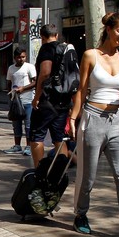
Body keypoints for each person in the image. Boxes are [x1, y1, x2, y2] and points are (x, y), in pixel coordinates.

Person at [67, 12, 119, 237]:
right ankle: (80, 215)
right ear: (109, 29)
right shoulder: (90, 55)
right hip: (93, 118)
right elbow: (81, 90)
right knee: (87, 176)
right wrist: (73, 119)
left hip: (117, 120)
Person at [30, 24, 72, 168]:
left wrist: (37, 97)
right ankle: (60, 172)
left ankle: (39, 171)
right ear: (57, 35)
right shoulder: (66, 49)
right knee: (59, 137)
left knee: (36, 136)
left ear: (42, 37)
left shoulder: (47, 48)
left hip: (47, 101)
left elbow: (45, 72)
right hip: (63, 100)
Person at [4, 46, 36, 156]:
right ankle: (17, 145)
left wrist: (23, 88)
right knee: (16, 124)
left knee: (28, 124)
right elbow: (8, 83)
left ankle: (28, 146)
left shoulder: (29, 67)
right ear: (14, 58)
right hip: (15, 101)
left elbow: (35, 82)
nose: (21, 59)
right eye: (19, 57)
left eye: (23, 57)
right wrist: (10, 94)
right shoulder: (11, 68)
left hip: (27, 100)